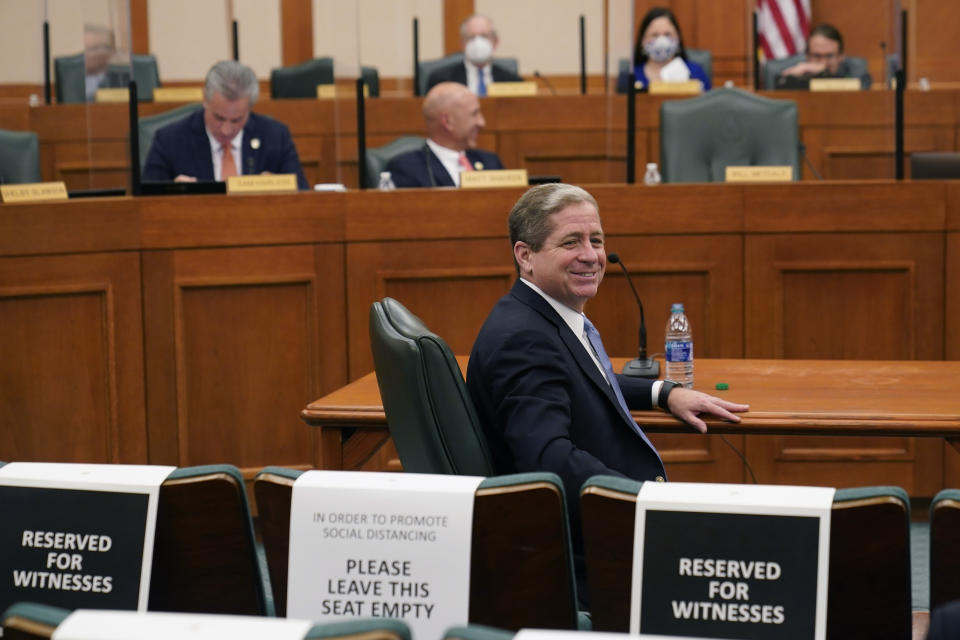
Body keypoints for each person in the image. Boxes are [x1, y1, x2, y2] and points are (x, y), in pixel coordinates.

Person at [466, 183, 748, 597]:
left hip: (601, 535)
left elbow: (579, 379)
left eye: (596, 240)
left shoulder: (536, 318)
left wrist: (662, 392)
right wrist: (644, 502)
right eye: (571, 242)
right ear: (525, 256)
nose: (591, 256)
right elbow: (547, 458)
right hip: (590, 554)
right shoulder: (524, 340)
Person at [143, 60, 308, 189]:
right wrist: (173, 193)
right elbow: (146, 203)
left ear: (250, 108)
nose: (226, 130)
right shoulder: (170, 140)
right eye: (219, 118)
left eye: (236, 120)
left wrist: (280, 189)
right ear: (205, 100)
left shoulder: (275, 136)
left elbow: (303, 196)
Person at [386, 82, 504, 188]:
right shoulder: (407, 169)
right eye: (474, 114)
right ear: (447, 121)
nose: (482, 123)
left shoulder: (490, 162)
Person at [616, 7, 711, 93]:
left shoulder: (695, 73)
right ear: (643, 40)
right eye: (655, 35)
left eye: (667, 34)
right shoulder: (630, 77)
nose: (662, 41)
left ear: (678, 37)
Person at [425, 14, 522, 95]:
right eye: (471, 37)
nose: (478, 42)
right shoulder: (441, 81)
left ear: (495, 41)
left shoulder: (512, 81)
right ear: (462, 44)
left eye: (484, 36)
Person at [778, 23, 871, 89]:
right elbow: (779, 88)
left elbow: (862, 89)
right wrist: (791, 77)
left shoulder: (857, 69)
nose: (823, 62)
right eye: (817, 56)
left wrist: (825, 73)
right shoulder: (800, 70)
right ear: (807, 56)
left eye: (829, 56)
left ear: (841, 56)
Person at [83, 24, 128, 102]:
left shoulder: (123, 79)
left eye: (92, 48)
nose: (85, 54)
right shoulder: (71, 79)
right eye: (85, 49)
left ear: (110, 51)